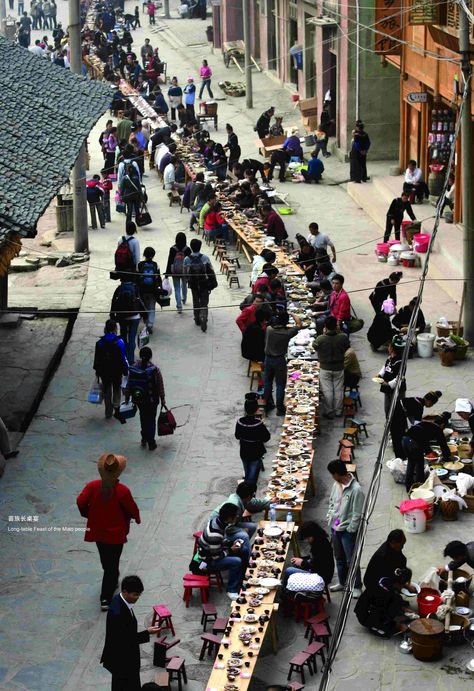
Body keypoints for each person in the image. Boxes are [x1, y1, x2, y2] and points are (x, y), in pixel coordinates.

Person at [76, 454, 141, 610]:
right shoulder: (122, 491)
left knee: (106, 560)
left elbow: (80, 501)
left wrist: (87, 514)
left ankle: (112, 580)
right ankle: (105, 597)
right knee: (113, 563)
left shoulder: (92, 486)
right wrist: (136, 518)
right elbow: (131, 508)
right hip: (116, 533)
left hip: (98, 532)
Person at [100, 574, 161, 688]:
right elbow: (126, 640)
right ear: (125, 591)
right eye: (135, 595)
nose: (137, 597)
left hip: (125, 655)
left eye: (139, 594)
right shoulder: (118, 613)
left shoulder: (120, 600)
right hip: (122, 660)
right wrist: (147, 633)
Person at [326, 460, 364, 597]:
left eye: (332, 474)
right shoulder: (336, 485)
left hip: (347, 531)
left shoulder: (356, 490)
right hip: (335, 527)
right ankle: (342, 583)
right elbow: (332, 502)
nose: (332, 477)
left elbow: (357, 514)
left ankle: (357, 586)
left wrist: (351, 529)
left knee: (351, 560)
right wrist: (330, 517)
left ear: (336, 474)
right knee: (339, 558)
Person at [196, 503, 248, 600]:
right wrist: (230, 549)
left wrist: (230, 543)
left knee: (243, 549)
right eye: (235, 515)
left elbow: (220, 541)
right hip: (207, 561)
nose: (237, 517)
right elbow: (216, 556)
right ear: (228, 518)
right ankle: (231, 590)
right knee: (237, 561)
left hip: (214, 550)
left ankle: (242, 577)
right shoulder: (215, 534)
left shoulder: (217, 521)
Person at [354, 568, 418, 638]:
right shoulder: (383, 596)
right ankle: (374, 628)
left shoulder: (387, 578)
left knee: (397, 599)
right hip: (365, 615)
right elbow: (379, 614)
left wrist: (403, 609)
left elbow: (395, 594)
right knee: (388, 631)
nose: (404, 586)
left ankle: (389, 617)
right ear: (398, 583)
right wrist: (398, 626)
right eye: (404, 584)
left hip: (374, 603)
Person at [263, 310, 302, 416]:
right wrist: (292, 314)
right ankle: (280, 408)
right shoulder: (287, 333)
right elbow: (299, 324)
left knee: (268, 382)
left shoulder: (269, 329)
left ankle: (266, 404)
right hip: (279, 360)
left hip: (268, 359)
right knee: (280, 385)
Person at [127, 346, 165, 451]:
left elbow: (129, 384)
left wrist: (127, 397)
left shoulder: (134, 368)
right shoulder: (155, 370)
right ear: (150, 356)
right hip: (152, 399)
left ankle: (144, 438)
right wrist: (163, 398)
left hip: (140, 399)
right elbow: (160, 385)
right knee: (151, 419)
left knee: (143, 417)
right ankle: (151, 442)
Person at [402, 412, 452, 493]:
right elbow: (443, 445)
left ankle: (409, 488)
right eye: (444, 427)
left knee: (411, 464)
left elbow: (422, 437)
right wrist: (447, 457)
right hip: (413, 443)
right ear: (442, 424)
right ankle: (420, 489)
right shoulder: (438, 429)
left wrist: (428, 451)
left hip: (405, 440)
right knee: (419, 466)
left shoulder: (426, 424)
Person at [314, 316, 350, 419]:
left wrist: (323, 333)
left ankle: (329, 410)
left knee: (327, 390)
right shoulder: (343, 337)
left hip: (325, 368)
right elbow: (347, 347)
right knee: (338, 389)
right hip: (339, 367)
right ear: (336, 326)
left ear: (325, 326)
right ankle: (338, 411)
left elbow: (314, 346)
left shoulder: (321, 338)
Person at [94, 320, 129, 422]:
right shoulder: (119, 342)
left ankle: (108, 411)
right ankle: (116, 408)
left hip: (104, 371)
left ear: (105, 328)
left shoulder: (100, 343)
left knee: (107, 390)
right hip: (117, 371)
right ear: (115, 329)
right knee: (117, 388)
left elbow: (97, 359)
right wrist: (126, 370)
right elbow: (123, 358)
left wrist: (97, 371)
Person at [283, 521, 334, 589]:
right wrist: (302, 560)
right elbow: (315, 560)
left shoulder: (320, 546)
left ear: (313, 535)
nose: (307, 540)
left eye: (308, 538)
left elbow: (317, 567)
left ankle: (285, 592)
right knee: (295, 565)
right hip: (320, 572)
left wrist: (302, 562)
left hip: (320, 577)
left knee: (289, 570)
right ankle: (289, 590)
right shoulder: (321, 540)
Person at [184, 238, 218, 332]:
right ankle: (204, 317)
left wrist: (188, 281)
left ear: (191, 247)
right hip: (204, 284)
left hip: (193, 284)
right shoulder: (205, 258)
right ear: (200, 247)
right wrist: (213, 283)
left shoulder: (187, 259)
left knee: (196, 302)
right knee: (204, 302)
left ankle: (197, 319)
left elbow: (185, 273)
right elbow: (211, 271)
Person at [110, 278, 146, 366]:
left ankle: (124, 357)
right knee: (132, 338)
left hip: (122, 317)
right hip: (135, 317)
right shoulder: (135, 288)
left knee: (123, 337)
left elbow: (114, 301)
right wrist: (145, 315)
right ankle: (130, 360)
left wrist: (112, 315)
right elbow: (140, 301)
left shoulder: (119, 288)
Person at [235, 399, 271, 483]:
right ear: (256, 409)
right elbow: (266, 438)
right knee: (252, 473)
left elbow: (237, 436)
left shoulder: (240, 422)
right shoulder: (258, 424)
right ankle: (249, 490)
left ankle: (247, 487)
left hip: (244, 451)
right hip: (256, 452)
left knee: (247, 470)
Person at [165, 232, 191, 314]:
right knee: (184, 285)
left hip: (175, 271)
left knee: (177, 288)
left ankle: (179, 306)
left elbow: (170, 261)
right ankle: (184, 298)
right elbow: (189, 262)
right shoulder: (187, 249)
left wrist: (167, 273)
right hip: (184, 271)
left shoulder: (172, 249)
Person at [137, 248, 161, 334]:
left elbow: (136, 277)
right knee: (151, 307)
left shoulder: (139, 264)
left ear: (144, 254)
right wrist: (160, 288)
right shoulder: (155, 265)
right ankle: (150, 325)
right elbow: (159, 278)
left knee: (143, 306)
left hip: (142, 289)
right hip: (152, 290)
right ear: (153, 255)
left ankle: (145, 320)